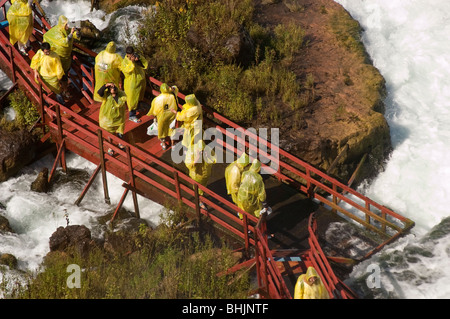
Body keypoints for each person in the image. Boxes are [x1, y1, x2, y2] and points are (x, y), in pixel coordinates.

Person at [43, 15, 81, 98]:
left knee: (65, 74)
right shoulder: (58, 33)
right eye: (66, 25)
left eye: (68, 24)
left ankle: (64, 89)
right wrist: (71, 34)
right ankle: (61, 90)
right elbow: (64, 42)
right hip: (58, 58)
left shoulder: (66, 28)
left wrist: (76, 33)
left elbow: (73, 31)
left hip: (66, 58)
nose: (68, 26)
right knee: (60, 76)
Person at [184, 140, 216, 210]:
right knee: (198, 189)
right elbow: (188, 164)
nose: (202, 152)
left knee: (202, 188)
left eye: (203, 150)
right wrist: (197, 159)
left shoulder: (207, 150)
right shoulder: (191, 151)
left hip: (206, 174)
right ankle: (200, 201)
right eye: (200, 151)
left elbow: (214, 160)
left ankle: (201, 197)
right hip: (196, 175)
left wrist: (208, 156)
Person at [97, 82, 127, 155]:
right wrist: (105, 85)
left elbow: (120, 103)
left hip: (119, 117)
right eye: (111, 88)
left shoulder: (122, 94)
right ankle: (111, 146)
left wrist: (114, 95)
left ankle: (120, 143)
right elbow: (99, 93)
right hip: (107, 118)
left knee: (120, 131)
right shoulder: (106, 94)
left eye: (113, 88)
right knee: (109, 133)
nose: (112, 89)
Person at [121, 46, 148, 123]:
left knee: (139, 97)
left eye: (132, 54)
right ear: (127, 54)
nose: (132, 55)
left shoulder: (137, 56)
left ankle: (137, 108)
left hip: (140, 81)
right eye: (130, 54)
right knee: (132, 99)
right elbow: (127, 71)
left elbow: (145, 65)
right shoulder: (125, 62)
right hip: (131, 84)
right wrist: (132, 62)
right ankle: (132, 116)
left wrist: (138, 60)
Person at [147, 83, 178, 150]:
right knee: (172, 130)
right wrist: (170, 89)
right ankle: (173, 145)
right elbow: (175, 88)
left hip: (161, 117)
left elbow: (155, 111)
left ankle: (164, 145)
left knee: (161, 131)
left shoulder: (157, 99)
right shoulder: (172, 95)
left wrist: (155, 117)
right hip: (171, 116)